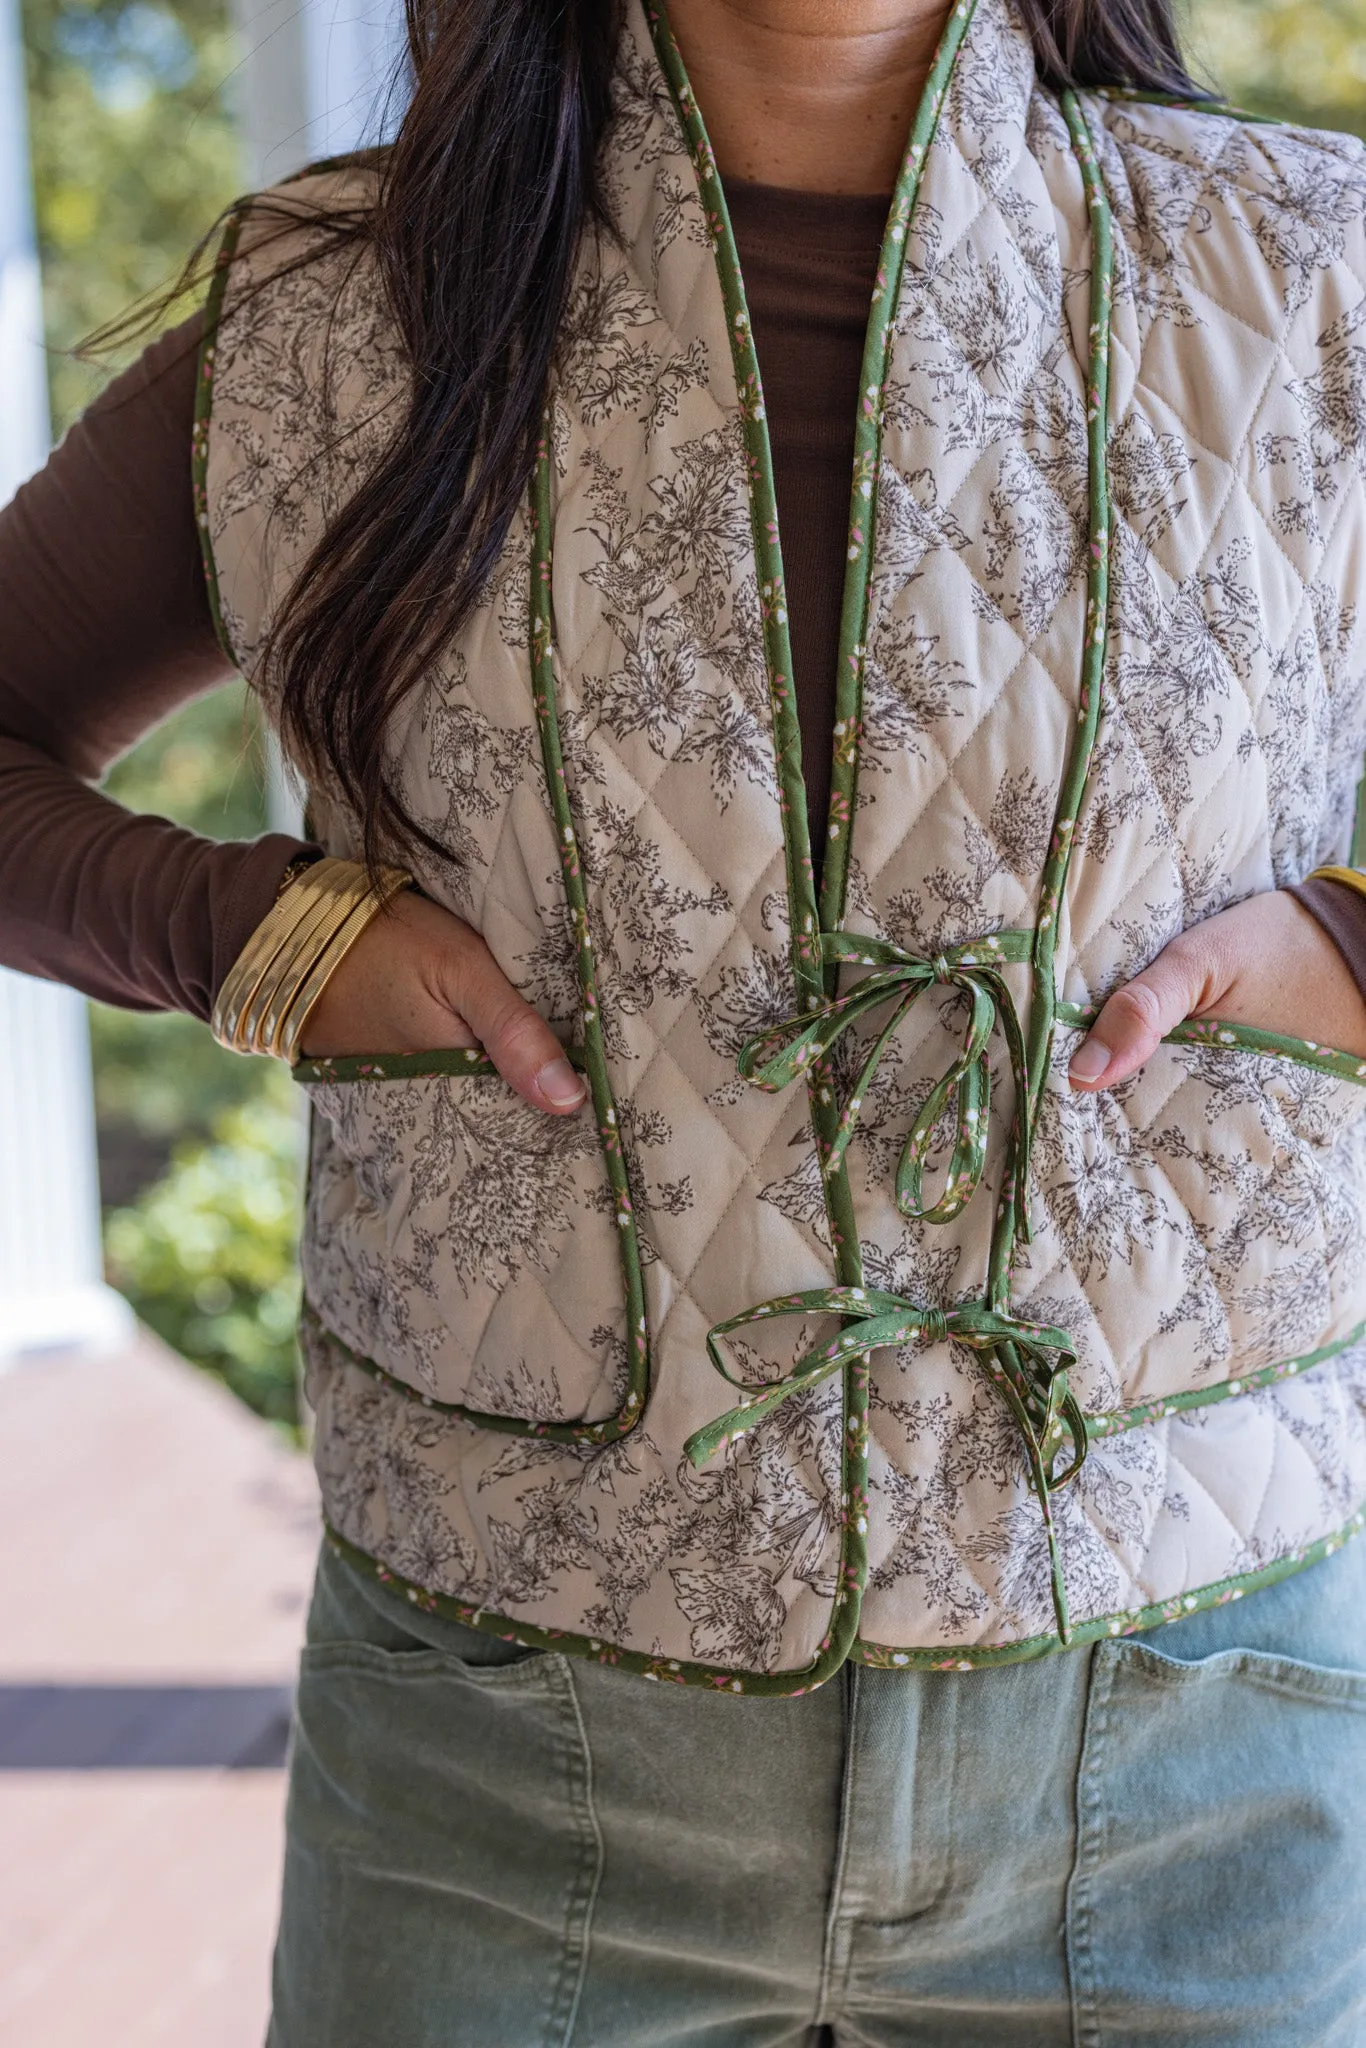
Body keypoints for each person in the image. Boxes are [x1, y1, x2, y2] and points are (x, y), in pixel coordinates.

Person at [8, 0, 1366, 2036]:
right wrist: (249, 940)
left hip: (1188, 1750)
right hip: (501, 1761)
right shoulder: (329, 322)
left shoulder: (1306, 264)